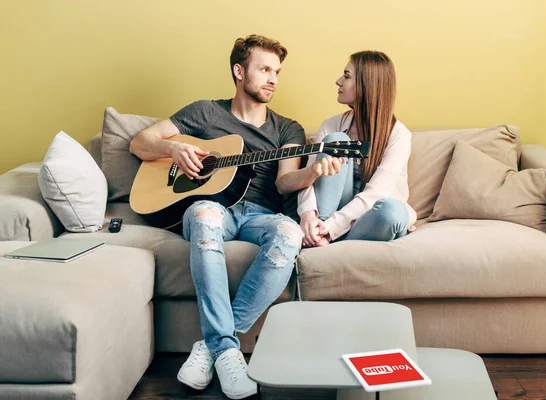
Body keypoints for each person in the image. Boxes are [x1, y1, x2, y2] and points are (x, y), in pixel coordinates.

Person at [129, 35, 340, 399]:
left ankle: (214, 347)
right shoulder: (205, 113)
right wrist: (173, 147)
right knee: (207, 213)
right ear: (239, 71)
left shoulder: (286, 128)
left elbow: (286, 180)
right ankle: (229, 351)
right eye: (264, 69)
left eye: (277, 71)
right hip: (213, 209)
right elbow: (139, 142)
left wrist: (313, 173)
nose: (273, 78)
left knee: (289, 235)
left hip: (261, 215)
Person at [298, 50, 418, 247]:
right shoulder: (331, 125)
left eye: (346, 76)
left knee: (392, 212)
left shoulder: (398, 134)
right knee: (336, 140)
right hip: (328, 215)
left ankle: (328, 238)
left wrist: (331, 228)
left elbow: (377, 193)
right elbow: (308, 179)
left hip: (366, 220)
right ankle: (321, 239)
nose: (338, 81)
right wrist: (308, 215)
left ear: (366, 84)